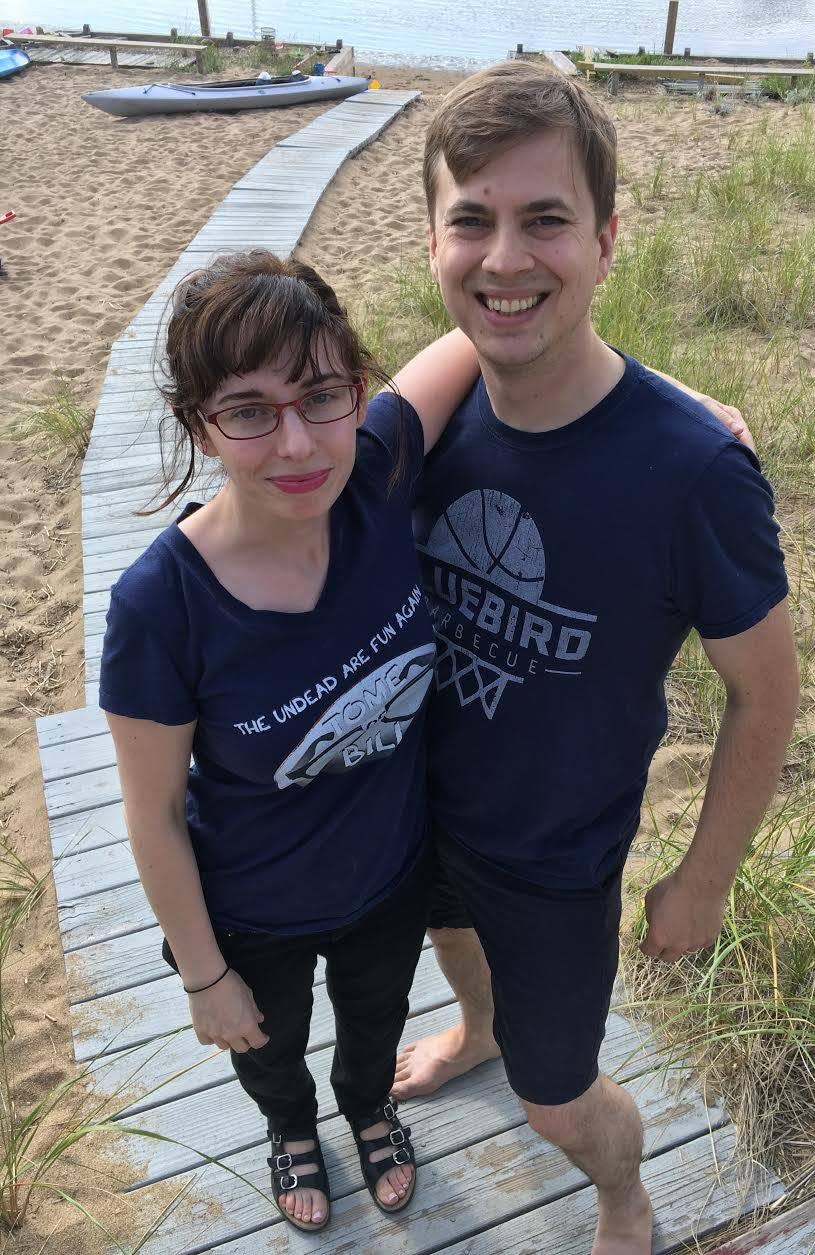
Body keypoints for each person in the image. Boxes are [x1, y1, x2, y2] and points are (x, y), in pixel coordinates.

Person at [392, 62, 800, 1255]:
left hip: (562, 856)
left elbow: (763, 691)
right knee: (450, 942)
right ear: (432, 241)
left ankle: (625, 1196)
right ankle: (473, 1027)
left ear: (607, 238)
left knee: (557, 1098)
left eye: (546, 220)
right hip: (421, 807)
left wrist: (703, 876)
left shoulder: (693, 474)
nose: (503, 256)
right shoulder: (436, 408)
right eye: (471, 220)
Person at [98, 252, 481, 1234]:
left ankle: (367, 1110)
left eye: (321, 394)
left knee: (373, 1029)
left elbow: (492, 330)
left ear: (358, 389)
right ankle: (291, 1131)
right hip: (248, 909)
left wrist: (683, 401)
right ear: (198, 424)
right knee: (267, 1052)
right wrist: (203, 974)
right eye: (248, 410)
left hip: (390, 880)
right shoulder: (162, 604)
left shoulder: (380, 469)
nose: (298, 441)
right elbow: (149, 815)